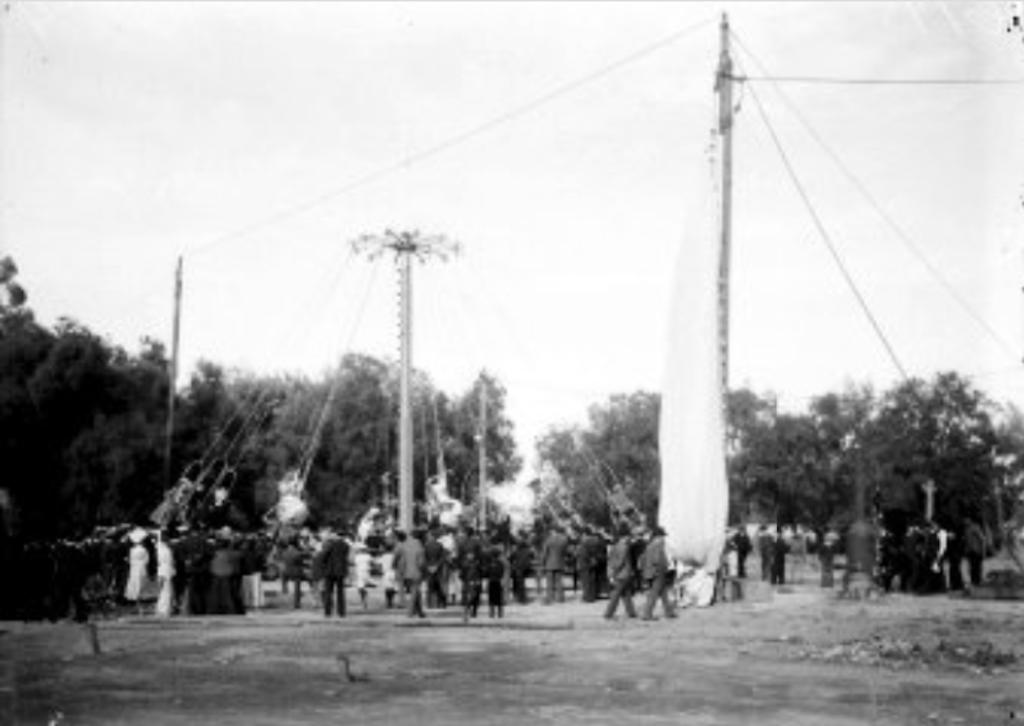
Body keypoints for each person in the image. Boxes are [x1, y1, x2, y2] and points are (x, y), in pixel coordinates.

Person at [640, 526, 676, 620]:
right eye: (662, 536)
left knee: (663, 594)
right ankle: (647, 614)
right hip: (658, 572)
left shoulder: (649, 546)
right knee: (654, 594)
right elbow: (657, 560)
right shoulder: (657, 546)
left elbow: (644, 560)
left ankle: (669, 612)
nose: (663, 538)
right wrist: (666, 566)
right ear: (657, 536)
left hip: (653, 572)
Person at [604, 526, 638, 620]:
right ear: (624, 536)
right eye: (628, 536)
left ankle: (631, 612)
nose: (629, 538)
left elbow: (612, 559)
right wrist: (614, 572)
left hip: (621, 574)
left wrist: (611, 572)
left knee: (626, 594)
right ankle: (609, 613)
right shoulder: (624, 547)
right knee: (617, 594)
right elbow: (620, 561)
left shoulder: (616, 545)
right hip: (623, 574)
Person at [395, 529, 426, 618]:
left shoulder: (406, 546)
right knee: (415, 591)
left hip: (406, 572)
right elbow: (421, 563)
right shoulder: (420, 548)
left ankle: (420, 612)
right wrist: (424, 571)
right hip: (416, 572)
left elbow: (402, 560)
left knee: (417, 592)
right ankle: (410, 611)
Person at [319, 530, 350, 618]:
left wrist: (324, 565)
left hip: (330, 570)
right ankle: (341, 612)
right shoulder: (346, 546)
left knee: (329, 591)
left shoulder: (331, 545)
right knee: (340, 592)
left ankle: (328, 611)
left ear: (336, 536)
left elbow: (324, 556)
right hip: (341, 571)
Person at [540, 525, 569, 604]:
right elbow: (566, 552)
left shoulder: (548, 540)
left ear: (553, 531)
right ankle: (560, 598)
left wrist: (542, 562)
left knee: (550, 582)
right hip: (560, 563)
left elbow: (544, 553)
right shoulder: (564, 540)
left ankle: (550, 597)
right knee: (559, 581)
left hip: (550, 563)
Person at [124, 533, 150, 616]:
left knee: (135, 585)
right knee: (141, 586)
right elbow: (147, 560)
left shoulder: (132, 550)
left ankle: (138, 605)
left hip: (134, 569)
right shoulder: (144, 550)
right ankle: (141, 607)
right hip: (142, 568)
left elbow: (130, 561)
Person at [155, 532, 175, 617]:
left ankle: (160, 608)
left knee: (162, 591)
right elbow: (171, 561)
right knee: (167, 591)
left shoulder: (159, 549)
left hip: (161, 570)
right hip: (166, 571)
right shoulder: (167, 550)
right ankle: (165, 609)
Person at [485, 541, 508, 618]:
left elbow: (487, 572)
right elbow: (502, 572)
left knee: (491, 598)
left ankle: (492, 613)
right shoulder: (500, 563)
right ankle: (500, 613)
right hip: (498, 581)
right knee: (499, 598)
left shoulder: (490, 563)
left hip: (492, 581)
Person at [964, 517, 987, 588]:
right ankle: (974, 582)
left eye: (966, 519)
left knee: (976, 567)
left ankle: (977, 581)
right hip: (970, 550)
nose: (964, 521)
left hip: (976, 550)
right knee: (972, 567)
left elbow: (982, 538)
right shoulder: (967, 528)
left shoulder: (975, 527)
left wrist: (983, 550)